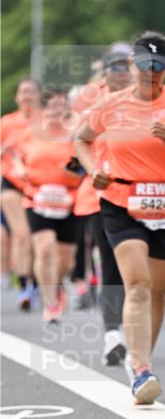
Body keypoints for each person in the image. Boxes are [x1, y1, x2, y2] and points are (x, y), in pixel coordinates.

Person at [75, 30, 165, 404]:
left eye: (158, 66)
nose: (151, 72)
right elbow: (81, 139)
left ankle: (141, 356)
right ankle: (142, 368)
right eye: (145, 65)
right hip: (122, 202)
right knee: (137, 285)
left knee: (158, 293)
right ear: (132, 65)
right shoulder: (110, 104)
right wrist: (92, 170)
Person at [73, 43, 132, 364]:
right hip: (100, 193)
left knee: (138, 264)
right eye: (116, 67)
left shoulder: (147, 99)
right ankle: (112, 333)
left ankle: (135, 329)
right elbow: (77, 140)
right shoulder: (90, 101)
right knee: (110, 258)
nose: (122, 73)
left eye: (127, 66)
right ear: (105, 72)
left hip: (141, 193)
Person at [22, 88, 82, 323]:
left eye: (62, 105)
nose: (58, 110)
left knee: (66, 260)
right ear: (43, 109)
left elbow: (86, 163)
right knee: (45, 247)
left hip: (70, 199)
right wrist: (19, 170)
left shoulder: (75, 134)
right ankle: (50, 303)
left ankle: (57, 284)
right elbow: (14, 157)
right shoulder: (30, 133)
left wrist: (74, 169)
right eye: (53, 105)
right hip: (37, 198)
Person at [1, 78, 41, 309]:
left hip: (40, 185)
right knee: (22, 234)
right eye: (23, 92)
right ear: (17, 97)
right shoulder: (7, 123)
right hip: (12, 183)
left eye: (31, 92)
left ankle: (37, 281)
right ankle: (25, 286)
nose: (27, 96)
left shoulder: (46, 122)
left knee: (39, 237)